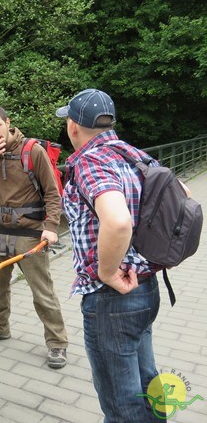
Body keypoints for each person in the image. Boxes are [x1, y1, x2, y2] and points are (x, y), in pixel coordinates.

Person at [57, 88, 164, 422]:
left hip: (112, 297)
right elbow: (184, 195)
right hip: (146, 289)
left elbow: (118, 222)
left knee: (122, 406)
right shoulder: (135, 155)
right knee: (148, 385)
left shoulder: (90, 160)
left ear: (73, 126)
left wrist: (106, 271)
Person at [0, 105, 68, 369]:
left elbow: (52, 193)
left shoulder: (32, 150)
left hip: (30, 232)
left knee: (42, 291)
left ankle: (57, 343)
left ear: (8, 123)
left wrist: (51, 226)